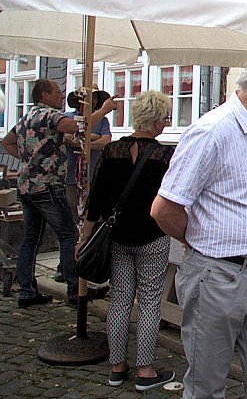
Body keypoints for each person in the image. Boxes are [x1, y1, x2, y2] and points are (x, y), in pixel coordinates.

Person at [151, 54, 247, 398]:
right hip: (219, 276)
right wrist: (198, 239)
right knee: (207, 386)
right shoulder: (212, 131)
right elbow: (164, 209)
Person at [77, 90, 175, 391]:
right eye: (166, 118)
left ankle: (117, 367)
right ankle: (146, 370)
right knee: (149, 302)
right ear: (156, 121)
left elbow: (96, 198)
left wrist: (85, 236)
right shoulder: (165, 156)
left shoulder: (112, 151)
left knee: (120, 299)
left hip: (117, 236)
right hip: (153, 236)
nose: (166, 123)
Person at [0, 79, 115, 308]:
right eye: (57, 92)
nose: (62, 96)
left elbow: (7, 142)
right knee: (69, 235)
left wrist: (29, 159)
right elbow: (76, 128)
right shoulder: (50, 115)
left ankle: (27, 291)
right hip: (47, 185)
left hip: (27, 186)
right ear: (44, 95)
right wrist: (103, 110)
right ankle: (75, 289)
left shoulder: (27, 117)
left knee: (30, 239)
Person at [57, 87, 112, 285]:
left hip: (94, 177)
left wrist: (86, 140)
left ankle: (88, 262)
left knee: (91, 220)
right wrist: (90, 138)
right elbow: (70, 139)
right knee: (72, 223)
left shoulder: (102, 121)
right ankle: (66, 266)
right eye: (89, 98)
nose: (92, 101)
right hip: (73, 178)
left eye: (95, 98)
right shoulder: (68, 118)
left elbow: (105, 141)